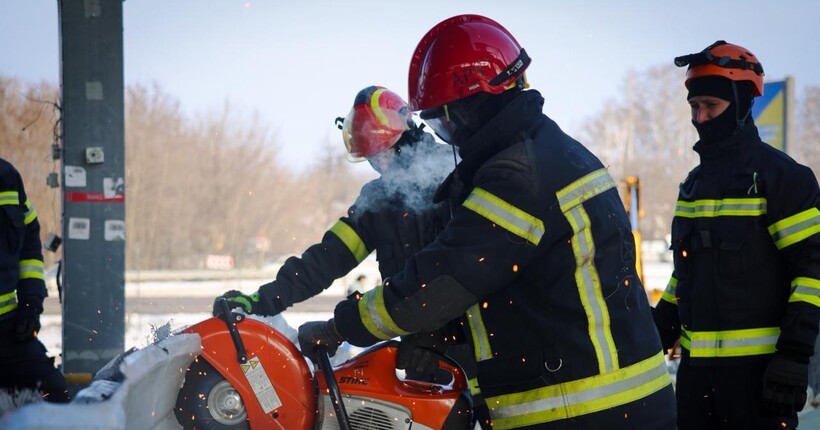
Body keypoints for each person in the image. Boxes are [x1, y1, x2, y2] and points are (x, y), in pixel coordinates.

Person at [298, 14, 676, 430]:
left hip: (585, 409)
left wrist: (341, 327)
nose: (445, 136)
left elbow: (444, 278)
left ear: (473, 105)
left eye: (444, 120)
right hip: (599, 402)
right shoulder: (546, 152)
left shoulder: (518, 175)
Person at [213, 85, 459, 381]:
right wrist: (260, 301)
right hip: (419, 353)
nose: (379, 164)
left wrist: (441, 335)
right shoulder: (378, 200)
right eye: (371, 156)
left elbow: (474, 264)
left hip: (472, 347)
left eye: (383, 152)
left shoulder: (454, 171)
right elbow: (325, 260)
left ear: (403, 135)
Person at [653, 40, 820, 429]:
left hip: (761, 382)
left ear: (743, 106)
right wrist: (664, 319)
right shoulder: (692, 185)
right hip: (696, 383)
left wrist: (794, 355)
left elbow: (813, 269)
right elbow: (687, 270)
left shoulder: (782, 179)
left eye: (712, 106)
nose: (701, 117)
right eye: (695, 107)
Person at [0, 157, 70, 403]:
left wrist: (30, 304)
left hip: (8, 329)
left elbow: (28, 238)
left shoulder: (6, 176)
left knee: (57, 396)